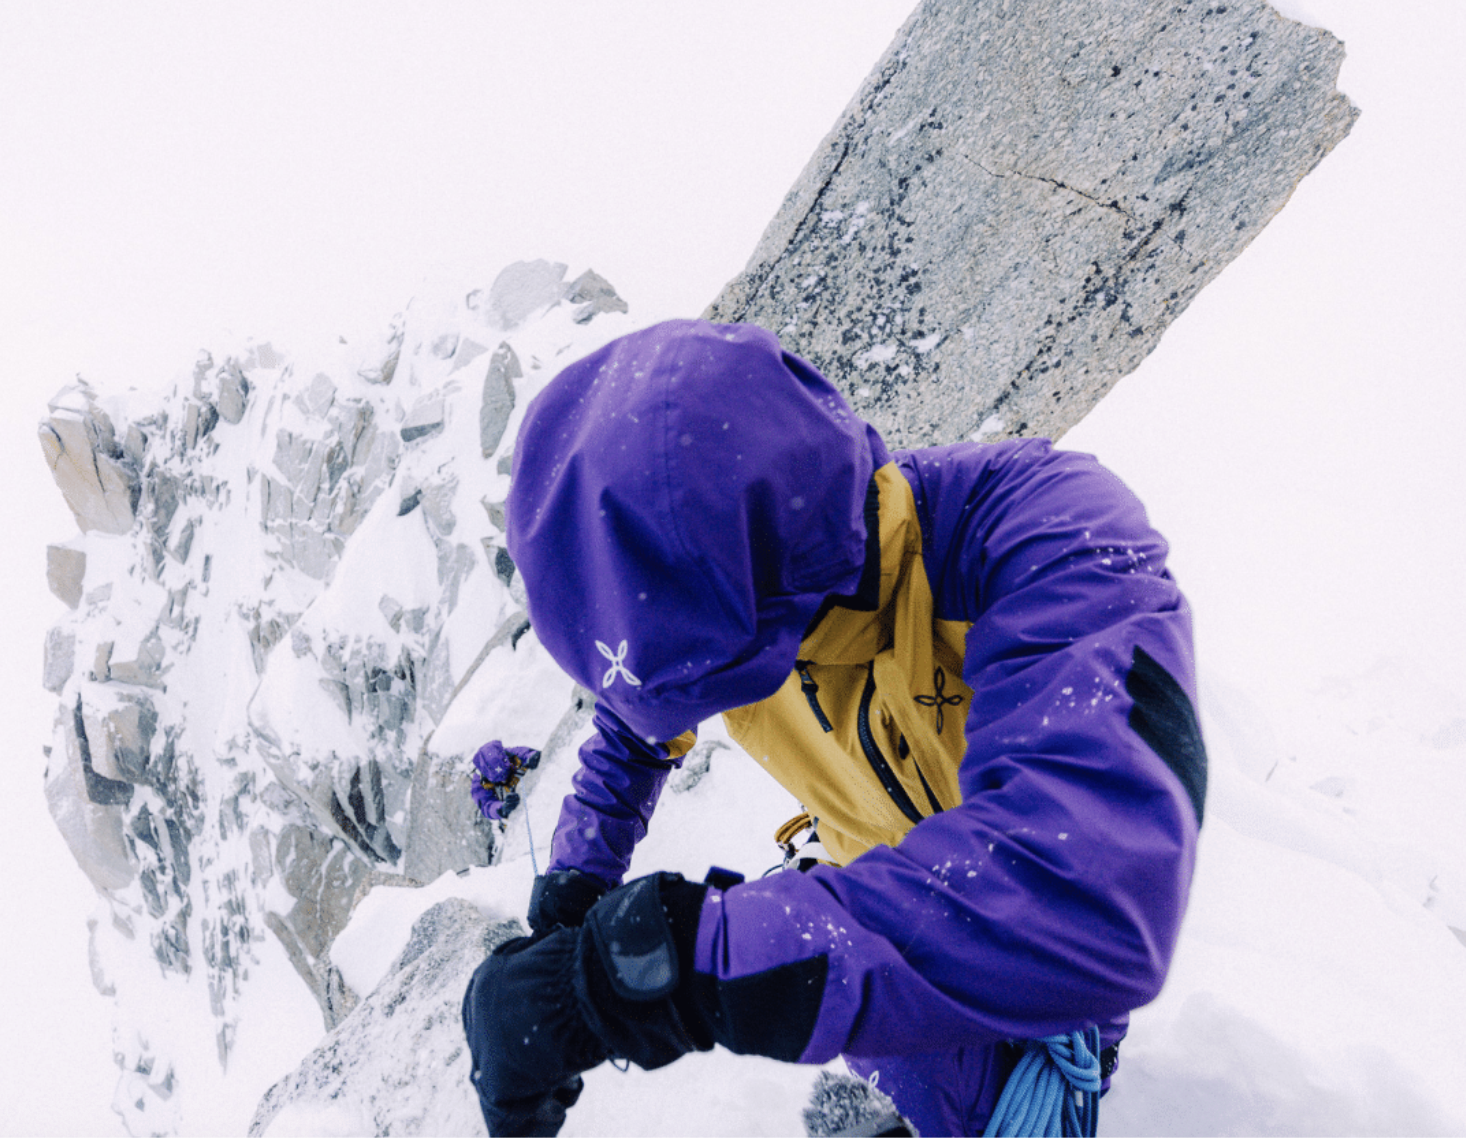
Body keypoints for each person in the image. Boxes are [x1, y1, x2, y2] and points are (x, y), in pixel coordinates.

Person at [461, 320, 1205, 1137]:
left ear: (772, 601)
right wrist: (572, 899)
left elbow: (1087, 896)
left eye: (714, 676)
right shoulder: (736, 611)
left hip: (1041, 976)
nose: (708, 699)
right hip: (875, 930)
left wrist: (656, 966)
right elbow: (632, 734)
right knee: (914, 1072)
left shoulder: (1048, 533)